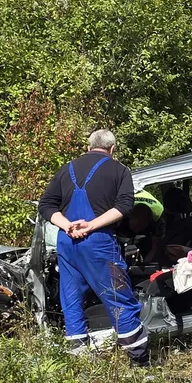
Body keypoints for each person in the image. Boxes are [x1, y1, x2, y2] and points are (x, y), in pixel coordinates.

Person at [37, 129, 150, 366]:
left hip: (67, 243)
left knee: (71, 299)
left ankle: (80, 364)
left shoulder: (65, 169)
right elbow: (125, 206)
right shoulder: (119, 170)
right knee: (119, 297)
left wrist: (68, 226)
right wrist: (90, 226)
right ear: (112, 149)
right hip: (97, 243)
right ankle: (140, 364)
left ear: (88, 147)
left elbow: (46, 205)